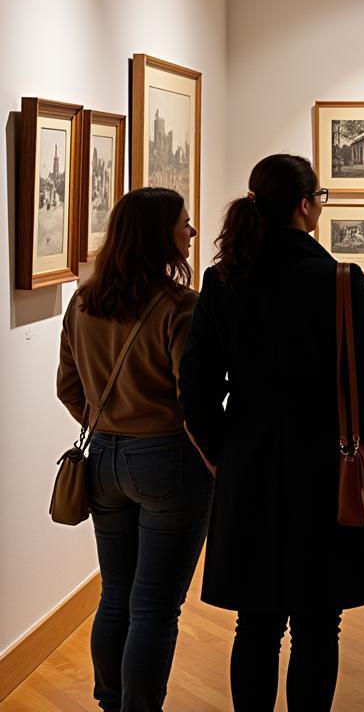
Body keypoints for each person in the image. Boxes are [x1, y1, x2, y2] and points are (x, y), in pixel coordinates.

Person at [178, 154, 364, 712]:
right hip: (326, 462)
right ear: (305, 205)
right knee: (319, 623)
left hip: (249, 459)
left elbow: (196, 387)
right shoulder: (338, 279)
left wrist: (218, 453)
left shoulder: (223, 278)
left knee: (255, 623)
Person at [57, 187, 209, 712]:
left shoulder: (83, 301)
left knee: (116, 593)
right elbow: (196, 400)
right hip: (167, 460)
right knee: (154, 606)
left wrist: (109, 422)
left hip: (102, 460)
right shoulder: (181, 306)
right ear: (156, 234)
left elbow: (68, 387)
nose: (191, 231)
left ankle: (110, 700)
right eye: (183, 223)